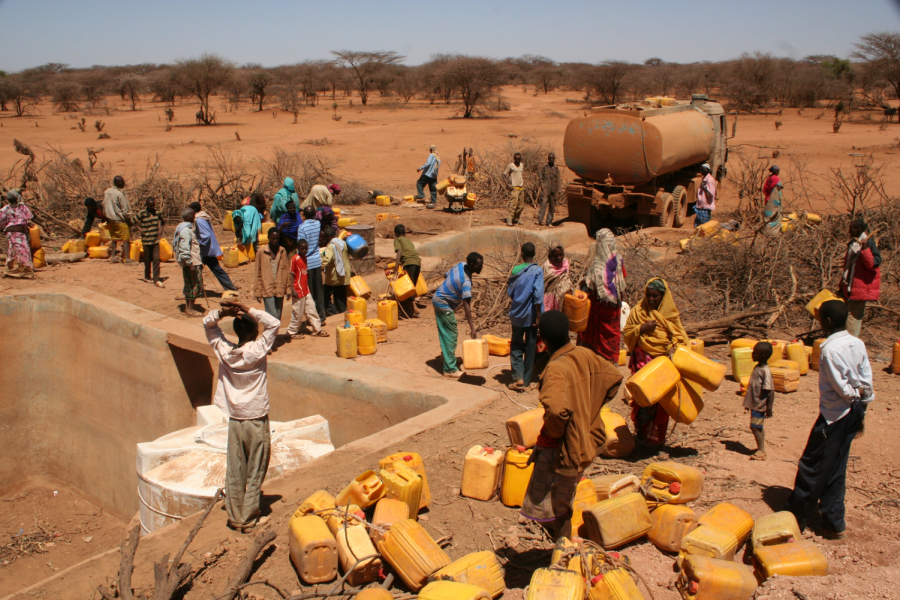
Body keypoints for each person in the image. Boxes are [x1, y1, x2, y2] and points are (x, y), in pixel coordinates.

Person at [521, 310, 623, 538]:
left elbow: (557, 411)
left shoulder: (556, 369)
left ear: (543, 339)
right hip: (589, 439)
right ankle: (559, 540)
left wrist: (556, 435)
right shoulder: (585, 353)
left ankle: (563, 556)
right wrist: (589, 409)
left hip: (565, 449)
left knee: (560, 507)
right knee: (562, 498)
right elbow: (614, 378)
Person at [787, 300, 874, 539]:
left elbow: (840, 386)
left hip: (836, 413)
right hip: (854, 409)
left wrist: (852, 396)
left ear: (826, 322)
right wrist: (863, 404)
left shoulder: (829, 349)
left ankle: (796, 519)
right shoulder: (857, 343)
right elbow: (866, 377)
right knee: (836, 465)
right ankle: (833, 523)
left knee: (812, 465)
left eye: (820, 320)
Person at [203, 301, 279, 532]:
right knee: (255, 469)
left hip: (235, 420)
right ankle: (248, 518)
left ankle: (236, 516)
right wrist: (247, 308)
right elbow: (273, 324)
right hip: (256, 419)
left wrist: (223, 312)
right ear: (255, 332)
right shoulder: (257, 351)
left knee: (236, 467)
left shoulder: (225, 352)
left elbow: (208, 324)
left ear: (237, 332)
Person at [622, 278, 688, 445]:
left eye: (656, 296)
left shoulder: (670, 314)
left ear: (663, 296)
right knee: (642, 400)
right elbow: (627, 333)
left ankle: (657, 439)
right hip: (642, 365)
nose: (651, 299)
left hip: (661, 366)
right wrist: (640, 329)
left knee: (660, 404)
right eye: (649, 295)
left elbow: (680, 337)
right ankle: (641, 436)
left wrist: (673, 347)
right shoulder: (638, 311)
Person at [579, 229, 626, 364]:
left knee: (595, 337)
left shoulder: (597, 266)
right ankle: (612, 363)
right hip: (614, 307)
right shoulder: (618, 259)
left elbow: (589, 286)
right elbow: (623, 276)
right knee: (612, 336)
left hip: (599, 309)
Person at [433, 252, 483, 378]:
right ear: (471, 265)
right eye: (479, 265)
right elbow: (467, 306)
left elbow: (446, 276)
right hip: (443, 303)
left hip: (439, 298)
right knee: (451, 333)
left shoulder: (461, 265)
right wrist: (472, 328)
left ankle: (446, 357)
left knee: (446, 331)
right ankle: (450, 369)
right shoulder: (465, 282)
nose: (481, 267)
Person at [507, 242, 544, 391]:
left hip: (517, 314)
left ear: (521, 253)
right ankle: (527, 380)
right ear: (534, 254)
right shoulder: (537, 271)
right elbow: (538, 294)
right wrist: (538, 316)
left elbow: (510, 292)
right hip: (531, 315)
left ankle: (518, 377)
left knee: (516, 344)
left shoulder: (516, 269)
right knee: (530, 346)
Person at [839, 219, 881, 338]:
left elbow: (873, 264)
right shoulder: (853, 243)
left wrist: (865, 249)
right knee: (846, 314)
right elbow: (849, 266)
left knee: (853, 317)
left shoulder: (868, 243)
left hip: (861, 286)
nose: (849, 231)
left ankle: (850, 342)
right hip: (850, 285)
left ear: (858, 230)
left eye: (851, 229)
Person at [189, 201, 238, 293]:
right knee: (217, 269)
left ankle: (189, 292)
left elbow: (206, 235)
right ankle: (231, 289)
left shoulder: (199, 220)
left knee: (194, 271)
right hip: (209, 249)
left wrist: (198, 244)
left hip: (204, 251)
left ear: (194, 210)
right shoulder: (204, 217)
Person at [287, 238, 327, 339]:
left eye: (306, 249)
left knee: (311, 309)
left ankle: (317, 329)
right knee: (298, 312)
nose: (304, 251)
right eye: (302, 249)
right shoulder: (294, 259)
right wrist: (292, 288)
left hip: (305, 289)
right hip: (298, 289)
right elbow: (291, 274)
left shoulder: (305, 258)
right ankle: (291, 332)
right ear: (298, 248)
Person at [744, 342, 775, 460]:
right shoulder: (758, 368)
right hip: (755, 403)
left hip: (760, 405)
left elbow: (770, 390)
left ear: (762, 356)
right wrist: (748, 403)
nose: (752, 354)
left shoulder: (765, 371)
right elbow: (753, 387)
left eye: (755, 353)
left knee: (755, 427)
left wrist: (769, 408)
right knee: (758, 426)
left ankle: (761, 450)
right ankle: (761, 447)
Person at [254, 228, 291, 320]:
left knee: (278, 316)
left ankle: (275, 334)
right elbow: (257, 272)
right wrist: (257, 291)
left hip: (280, 286)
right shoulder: (262, 252)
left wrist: (288, 289)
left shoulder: (282, 251)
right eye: (273, 238)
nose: (275, 241)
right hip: (267, 287)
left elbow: (286, 271)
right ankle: (270, 334)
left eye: (277, 239)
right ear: (268, 238)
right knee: (271, 316)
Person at [174, 208, 204, 316]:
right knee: (193, 286)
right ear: (187, 217)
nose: (194, 217)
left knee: (190, 285)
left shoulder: (185, 228)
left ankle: (188, 308)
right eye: (192, 215)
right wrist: (190, 263)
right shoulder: (186, 231)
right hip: (192, 263)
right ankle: (190, 310)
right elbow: (184, 249)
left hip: (192, 261)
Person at [0, 190, 36, 279]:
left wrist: (5, 226)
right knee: (24, 252)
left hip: (9, 232)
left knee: (11, 252)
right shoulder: (23, 207)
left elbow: (1, 220)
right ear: (17, 198)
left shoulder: (5, 209)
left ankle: (9, 272)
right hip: (19, 233)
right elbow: (29, 217)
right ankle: (26, 273)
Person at [298, 206, 325, 320]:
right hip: (317, 262)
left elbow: (301, 244)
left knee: (309, 292)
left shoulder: (302, 227)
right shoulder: (318, 224)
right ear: (314, 214)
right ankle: (321, 316)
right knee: (319, 290)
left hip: (307, 263)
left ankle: (313, 318)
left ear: (304, 215)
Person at [102, 175, 134, 264]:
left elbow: (104, 205)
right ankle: (127, 259)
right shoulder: (119, 194)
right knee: (126, 238)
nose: (124, 184)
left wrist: (106, 217)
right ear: (119, 183)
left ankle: (112, 257)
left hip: (110, 219)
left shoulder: (107, 192)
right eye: (123, 182)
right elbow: (124, 209)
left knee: (114, 238)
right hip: (120, 220)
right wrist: (129, 218)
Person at [393, 224, 422, 318]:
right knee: (412, 287)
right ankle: (412, 309)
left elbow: (400, 251)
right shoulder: (408, 241)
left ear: (396, 233)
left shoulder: (397, 240)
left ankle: (412, 309)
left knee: (407, 288)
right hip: (417, 263)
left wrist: (396, 266)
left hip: (409, 263)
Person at [322, 227, 351, 316]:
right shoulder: (342, 243)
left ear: (328, 236)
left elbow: (327, 259)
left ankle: (334, 313)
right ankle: (342, 314)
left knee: (324, 296)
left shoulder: (331, 245)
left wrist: (318, 261)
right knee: (340, 297)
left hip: (334, 276)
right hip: (344, 274)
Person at [136, 198, 165, 288]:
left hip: (155, 240)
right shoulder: (142, 213)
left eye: (153, 205)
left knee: (156, 260)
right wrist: (140, 229)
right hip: (146, 241)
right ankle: (147, 276)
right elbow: (133, 221)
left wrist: (160, 231)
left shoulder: (157, 213)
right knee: (147, 260)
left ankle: (156, 278)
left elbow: (163, 221)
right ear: (147, 205)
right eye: (150, 205)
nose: (152, 207)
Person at [543, 242, 572, 312]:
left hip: (565, 297)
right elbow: (543, 285)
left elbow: (566, 279)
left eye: (561, 254)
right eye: (556, 255)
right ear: (550, 255)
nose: (559, 257)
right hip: (550, 300)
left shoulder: (565, 263)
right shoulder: (547, 267)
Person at [537, 153, 560, 227]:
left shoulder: (556, 169)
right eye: (550, 159)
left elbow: (558, 180)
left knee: (552, 206)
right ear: (548, 159)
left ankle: (549, 222)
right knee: (543, 204)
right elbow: (540, 177)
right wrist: (543, 187)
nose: (551, 160)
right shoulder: (544, 168)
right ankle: (540, 221)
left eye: (553, 158)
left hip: (553, 190)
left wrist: (559, 191)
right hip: (546, 190)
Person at [504, 153, 525, 227]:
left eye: (518, 159)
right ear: (514, 159)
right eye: (516, 159)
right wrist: (507, 184)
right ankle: (509, 220)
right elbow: (503, 174)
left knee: (521, 206)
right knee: (513, 204)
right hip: (514, 188)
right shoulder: (511, 166)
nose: (517, 160)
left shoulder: (521, 165)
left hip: (521, 188)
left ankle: (516, 218)